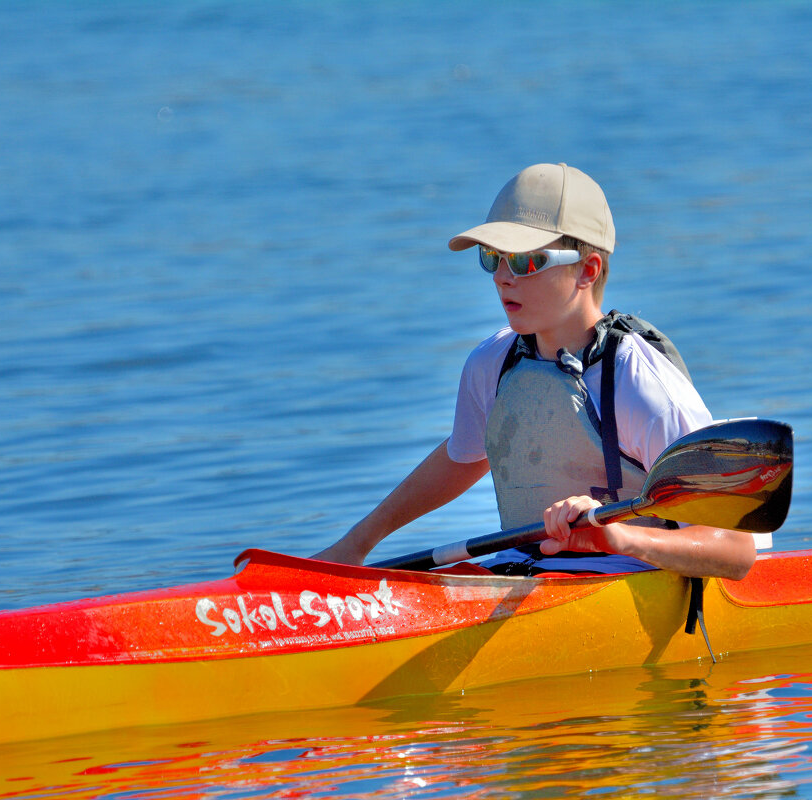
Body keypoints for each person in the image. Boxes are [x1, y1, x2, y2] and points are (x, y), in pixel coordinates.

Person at [314, 163, 762, 579]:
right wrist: (356, 545)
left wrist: (617, 537)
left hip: (629, 581)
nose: (502, 277)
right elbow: (460, 458)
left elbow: (736, 552)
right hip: (524, 571)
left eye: (527, 261)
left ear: (588, 270)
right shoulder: (492, 365)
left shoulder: (641, 385)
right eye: (493, 258)